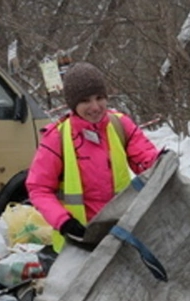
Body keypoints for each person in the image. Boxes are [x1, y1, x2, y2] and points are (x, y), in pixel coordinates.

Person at [27, 61, 160, 253]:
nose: (95, 107)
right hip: (78, 242)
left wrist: (160, 162)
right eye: (85, 101)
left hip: (122, 235)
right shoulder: (57, 138)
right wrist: (63, 222)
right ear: (73, 105)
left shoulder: (120, 125)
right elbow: (39, 188)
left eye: (99, 98)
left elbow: (147, 161)